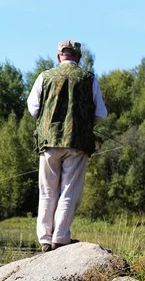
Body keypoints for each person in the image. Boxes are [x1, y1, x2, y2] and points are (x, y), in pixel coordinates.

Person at [27, 40, 108, 252]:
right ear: (79, 58)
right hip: (77, 143)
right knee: (68, 191)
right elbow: (101, 114)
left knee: (47, 192)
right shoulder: (89, 78)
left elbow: (33, 108)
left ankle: (45, 239)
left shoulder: (44, 77)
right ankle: (60, 238)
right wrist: (84, 122)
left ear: (58, 57)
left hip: (49, 142)